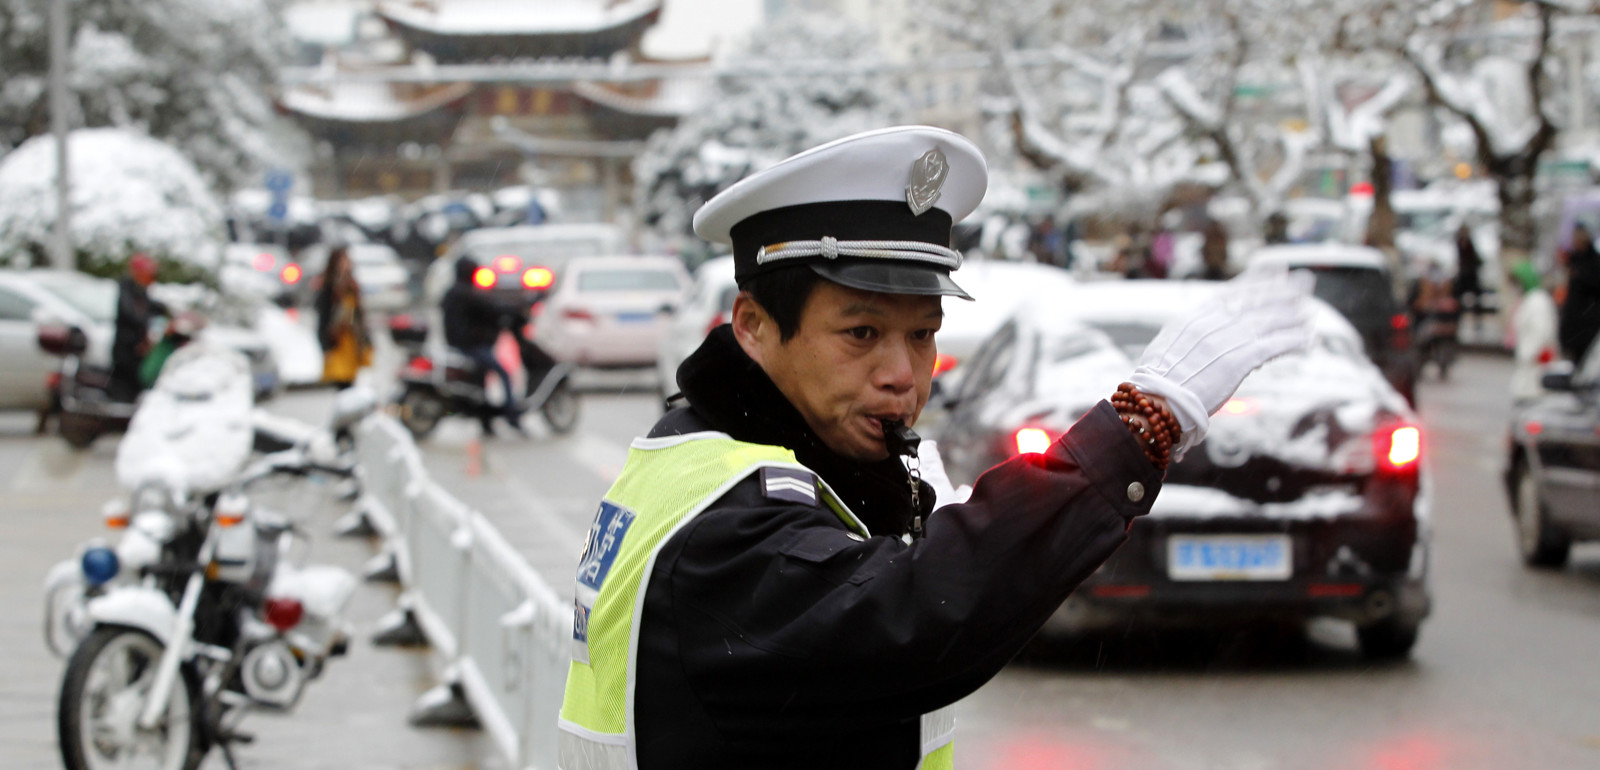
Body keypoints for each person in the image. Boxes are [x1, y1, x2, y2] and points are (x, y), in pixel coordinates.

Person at [556, 126, 1313, 769]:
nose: (901, 375)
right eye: (861, 334)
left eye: (923, 335)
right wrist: (1140, 426)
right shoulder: (725, 519)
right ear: (752, 325)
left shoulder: (733, 452)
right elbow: (915, 618)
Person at [440, 257, 521, 434]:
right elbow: (492, 307)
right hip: (469, 346)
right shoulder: (466, 294)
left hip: (459, 344)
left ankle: (486, 420)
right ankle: (511, 414)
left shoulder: (453, 292)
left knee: (481, 379)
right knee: (503, 373)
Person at [110, 253, 168, 401]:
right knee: (124, 381)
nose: (151, 279)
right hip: (126, 348)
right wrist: (147, 321)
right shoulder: (126, 289)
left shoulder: (142, 292)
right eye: (149, 275)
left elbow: (153, 307)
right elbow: (132, 314)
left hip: (138, 347)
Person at [314, 244, 372, 389]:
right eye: (343, 260)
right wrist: (325, 346)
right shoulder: (329, 287)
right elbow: (323, 318)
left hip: (352, 340)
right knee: (342, 382)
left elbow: (359, 316)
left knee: (353, 382)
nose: (347, 263)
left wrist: (367, 340)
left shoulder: (352, 286)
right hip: (338, 341)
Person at [1510, 260, 1559, 402]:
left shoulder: (1538, 301)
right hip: (1527, 364)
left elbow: (1542, 331)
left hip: (1536, 364)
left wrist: (1529, 353)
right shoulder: (1528, 299)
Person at [1559, 224, 1600, 366]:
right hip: (1573, 318)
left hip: (1589, 319)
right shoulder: (1573, 259)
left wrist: (1580, 275)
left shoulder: (1595, 260)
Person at [1453, 224, 1483, 337]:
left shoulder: (1469, 243)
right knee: (1458, 298)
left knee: (1476, 300)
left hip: (1471, 275)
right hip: (1465, 275)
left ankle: (1477, 323)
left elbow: (1475, 258)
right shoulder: (1460, 242)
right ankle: (1458, 321)